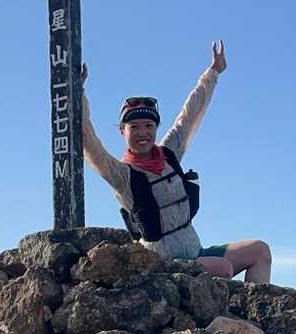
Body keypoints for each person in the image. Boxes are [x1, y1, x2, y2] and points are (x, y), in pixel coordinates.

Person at [80, 41, 272, 284]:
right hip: (163, 264)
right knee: (222, 268)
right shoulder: (122, 174)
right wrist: (79, 94)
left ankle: (254, 306)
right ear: (122, 131)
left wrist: (213, 72)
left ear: (156, 128)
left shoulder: (169, 154)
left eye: (149, 126)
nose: (142, 133)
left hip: (196, 253)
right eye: (134, 127)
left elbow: (189, 116)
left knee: (259, 250)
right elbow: (89, 144)